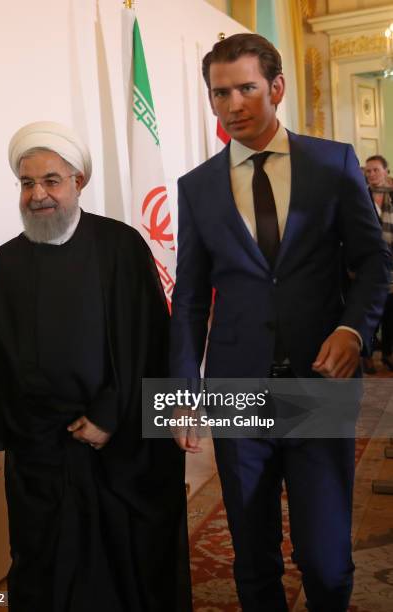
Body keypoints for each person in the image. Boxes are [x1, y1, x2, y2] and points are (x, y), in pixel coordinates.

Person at [170, 34, 389, 611]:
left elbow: (373, 263)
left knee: (326, 561)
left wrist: (351, 330)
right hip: (235, 389)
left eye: (246, 88)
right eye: (221, 93)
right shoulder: (196, 189)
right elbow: (190, 297)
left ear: (277, 88)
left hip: (318, 386)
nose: (234, 104)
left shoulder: (333, 163)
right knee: (253, 556)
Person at [0, 121, 191, 612]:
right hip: (38, 446)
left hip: (114, 442)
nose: (38, 195)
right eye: (27, 183)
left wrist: (109, 414)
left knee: (123, 562)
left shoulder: (120, 247)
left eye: (51, 181)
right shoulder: (8, 260)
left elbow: (150, 337)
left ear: (78, 182)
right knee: (43, 562)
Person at [365, 155, 393, 370]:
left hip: (391, 260)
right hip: (369, 260)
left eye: (376, 170)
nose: (372, 174)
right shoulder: (361, 195)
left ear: (386, 171)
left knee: (390, 311)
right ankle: (367, 354)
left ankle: (388, 353)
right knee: (369, 309)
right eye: (368, 171)